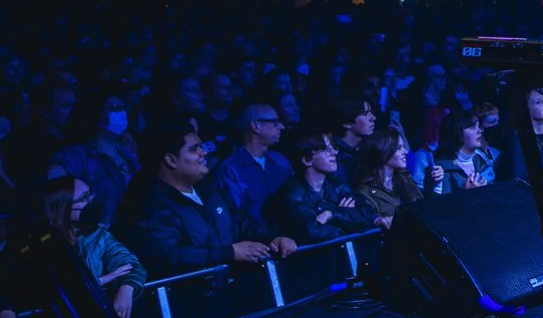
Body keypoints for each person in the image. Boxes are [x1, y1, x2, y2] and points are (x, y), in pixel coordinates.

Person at [122, 125, 297, 277]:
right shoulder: (152, 204)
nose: (203, 152)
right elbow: (166, 256)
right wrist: (230, 253)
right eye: (194, 149)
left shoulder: (209, 190)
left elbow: (240, 221)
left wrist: (272, 238)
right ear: (170, 160)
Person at [42, 175, 147, 318]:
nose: (92, 199)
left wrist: (127, 288)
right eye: (84, 197)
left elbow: (130, 264)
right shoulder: (45, 244)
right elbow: (57, 289)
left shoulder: (98, 234)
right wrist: (102, 279)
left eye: (90, 193)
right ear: (63, 207)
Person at [266, 131, 371, 243]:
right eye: (325, 150)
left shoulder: (339, 186)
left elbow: (368, 215)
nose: (334, 153)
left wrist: (331, 214)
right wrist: (347, 223)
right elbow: (310, 232)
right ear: (307, 160)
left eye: (333, 147)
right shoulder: (291, 193)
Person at [50, 96, 141, 220]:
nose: (122, 113)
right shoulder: (76, 155)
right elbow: (55, 196)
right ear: (96, 113)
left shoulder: (128, 154)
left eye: (123, 107)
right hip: (94, 235)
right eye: (114, 108)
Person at [204, 103, 290, 233]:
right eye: (275, 122)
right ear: (255, 126)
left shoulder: (281, 161)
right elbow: (234, 216)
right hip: (258, 245)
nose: (281, 127)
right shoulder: (230, 169)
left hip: (292, 240)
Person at [352, 127, 421, 229]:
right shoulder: (365, 193)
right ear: (383, 151)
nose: (405, 152)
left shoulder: (405, 179)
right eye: (399, 148)